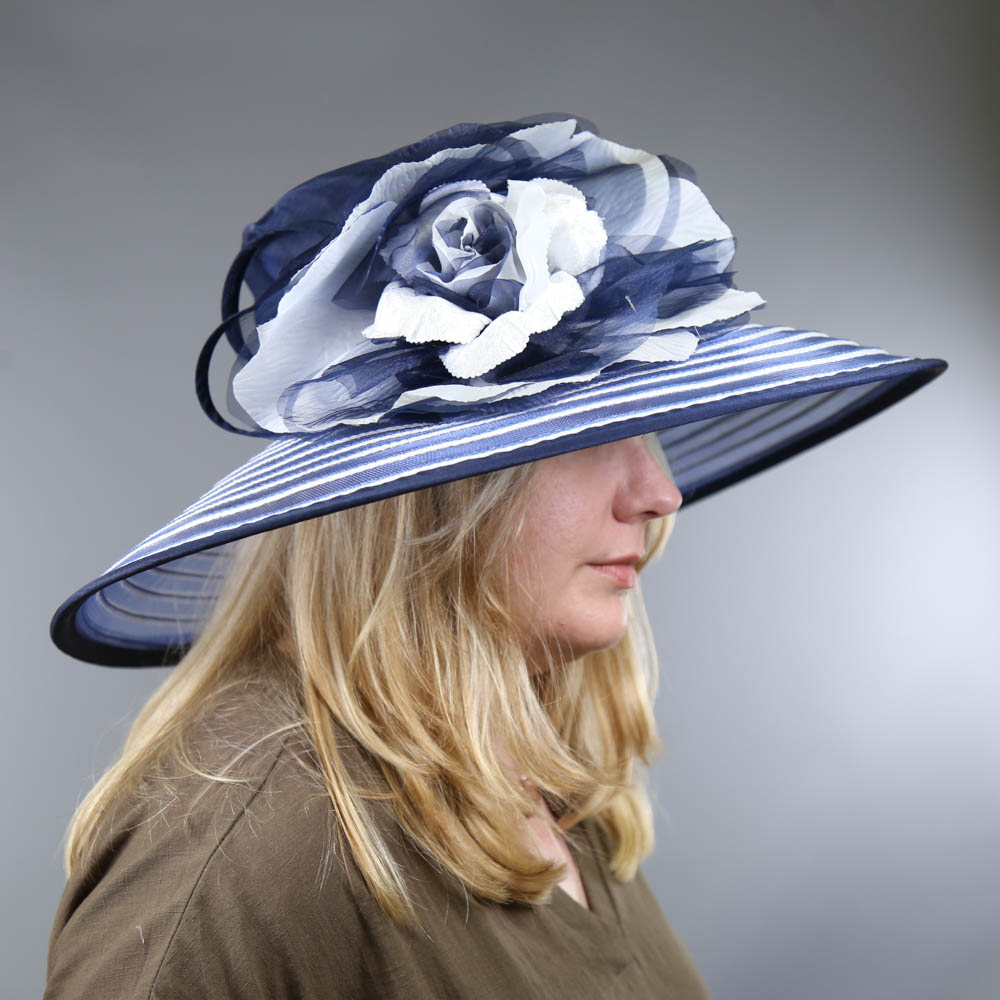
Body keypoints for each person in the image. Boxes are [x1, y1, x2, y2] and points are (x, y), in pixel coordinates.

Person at [43, 114, 947, 998]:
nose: (660, 494)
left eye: (650, 430)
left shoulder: (532, 775)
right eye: (596, 434)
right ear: (435, 495)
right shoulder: (257, 825)